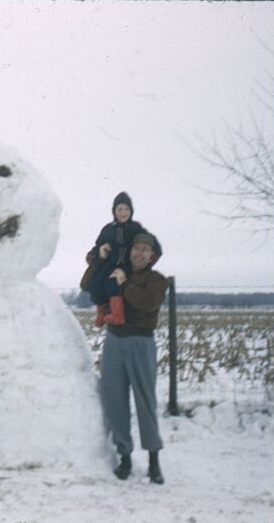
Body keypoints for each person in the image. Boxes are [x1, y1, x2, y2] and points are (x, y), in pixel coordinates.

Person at [99, 232, 168, 484]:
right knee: (114, 397)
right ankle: (124, 457)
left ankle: (153, 461)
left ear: (152, 255)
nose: (139, 253)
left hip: (141, 342)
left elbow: (147, 303)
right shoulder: (116, 271)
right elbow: (93, 284)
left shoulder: (157, 280)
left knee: (144, 400)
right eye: (135, 248)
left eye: (144, 250)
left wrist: (125, 283)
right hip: (114, 341)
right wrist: (100, 258)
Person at [83, 192, 148, 327]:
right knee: (95, 283)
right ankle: (101, 313)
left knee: (112, 282)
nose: (123, 213)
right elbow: (97, 246)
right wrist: (99, 253)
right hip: (109, 264)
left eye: (126, 209)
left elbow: (147, 247)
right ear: (114, 211)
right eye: (119, 209)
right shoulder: (108, 229)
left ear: (131, 211)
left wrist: (138, 262)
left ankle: (118, 316)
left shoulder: (136, 229)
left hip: (126, 265)